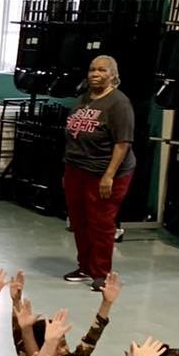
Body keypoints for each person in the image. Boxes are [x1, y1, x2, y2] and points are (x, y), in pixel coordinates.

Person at [63, 55, 135, 290]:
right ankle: (85, 266)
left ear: (113, 75)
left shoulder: (119, 104)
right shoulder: (83, 99)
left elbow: (122, 143)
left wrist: (109, 175)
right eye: (92, 69)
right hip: (77, 168)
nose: (95, 74)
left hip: (104, 172)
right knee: (79, 220)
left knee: (101, 222)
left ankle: (101, 273)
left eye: (102, 70)